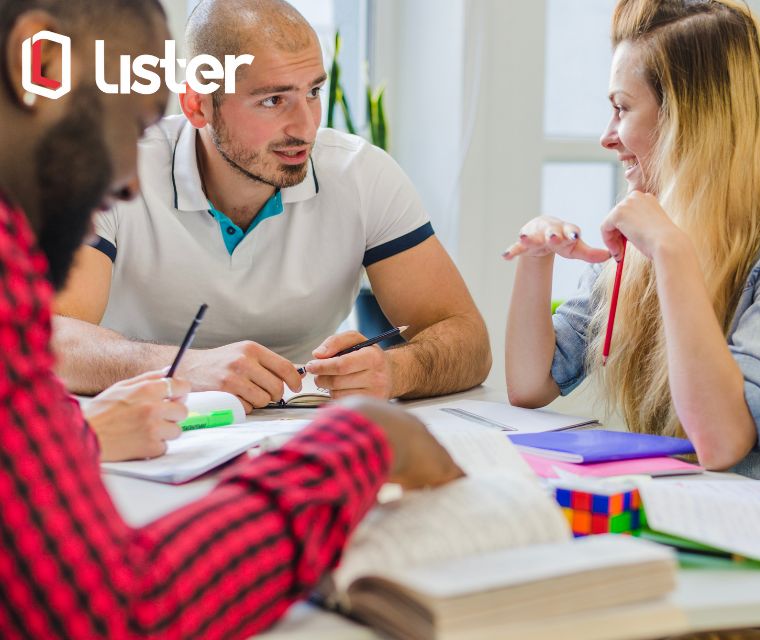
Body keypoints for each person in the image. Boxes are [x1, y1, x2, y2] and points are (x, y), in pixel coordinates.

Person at [0, 0, 463, 635]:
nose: (130, 185)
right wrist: (363, 442)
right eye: (124, 123)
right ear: (39, 62)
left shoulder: (359, 172)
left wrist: (79, 440)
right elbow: (113, 613)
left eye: (314, 92)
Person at [52, 0, 490, 413]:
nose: (305, 127)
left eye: (314, 92)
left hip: (298, 429)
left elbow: (467, 337)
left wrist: (395, 370)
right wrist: (182, 367)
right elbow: (45, 337)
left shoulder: (363, 175)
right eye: (272, 100)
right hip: (139, 428)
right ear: (198, 105)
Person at [504, 0, 760, 479]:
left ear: (691, 122)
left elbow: (720, 442)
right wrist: (537, 259)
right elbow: (531, 385)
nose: (607, 136)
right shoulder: (652, 227)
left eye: (622, 109)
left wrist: (671, 254)